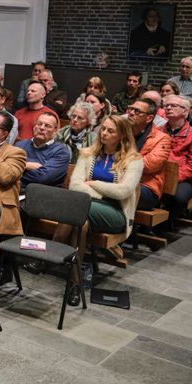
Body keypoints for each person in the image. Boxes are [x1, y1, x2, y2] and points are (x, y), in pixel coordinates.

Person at [63, 115, 143, 303]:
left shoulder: (134, 160)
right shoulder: (87, 153)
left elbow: (123, 191)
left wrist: (93, 184)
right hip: (86, 208)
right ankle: (75, 283)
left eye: (110, 130)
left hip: (115, 213)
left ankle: (49, 252)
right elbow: (75, 185)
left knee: (75, 206)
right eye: (103, 129)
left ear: (122, 135)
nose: (104, 133)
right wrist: (104, 193)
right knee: (80, 224)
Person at [161, 94, 192, 224]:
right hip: (158, 173)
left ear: (185, 111)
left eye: (174, 106)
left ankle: (165, 223)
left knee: (179, 196)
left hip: (184, 178)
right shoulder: (158, 130)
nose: (168, 108)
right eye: (167, 105)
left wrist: (173, 177)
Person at [125, 98, 171, 211]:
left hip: (146, 187)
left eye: (137, 111)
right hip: (118, 179)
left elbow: (149, 165)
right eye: (131, 109)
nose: (131, 113)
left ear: (149, 118)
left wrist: (120, 162)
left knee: (119, 192)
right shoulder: (121, 132)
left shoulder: (162, 139)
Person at [15, 110, 70, 190]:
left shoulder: (61, 152)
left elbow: (42, 178)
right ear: (34, 127)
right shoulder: (20, 145)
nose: (42, 128)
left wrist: (15, 170)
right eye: (39, 124)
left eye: (47, 126)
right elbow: (5, 169)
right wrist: (25, 165)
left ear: (55, 131)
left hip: (42, 195)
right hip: (15, 191)